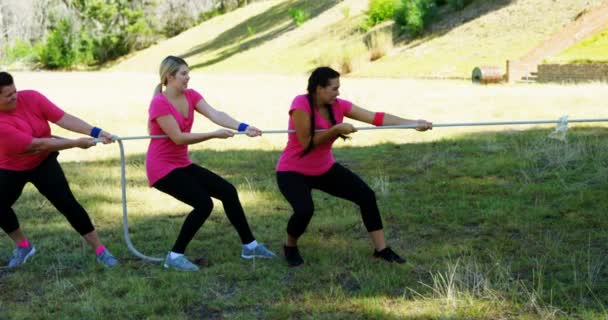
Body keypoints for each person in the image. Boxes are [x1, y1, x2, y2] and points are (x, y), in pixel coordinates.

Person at [276, 67, 433, 267]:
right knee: (304, 210)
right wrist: (335, 130)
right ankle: (290, 246)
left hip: (324, 169)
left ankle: (381, 249)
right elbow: (306, 142)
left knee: (366, 196)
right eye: (334, 88)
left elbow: (376, 118)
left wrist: (412, 123)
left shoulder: (339, 105)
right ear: (319, 89)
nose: (338, 93)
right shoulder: (300, 104)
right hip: (293, 171)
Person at [147, 56, 276, 271]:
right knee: (204, 204)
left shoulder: (191, 96)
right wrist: (212, 135)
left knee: (227, 191)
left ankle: (250, 246)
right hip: (161, 169)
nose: (188, 78)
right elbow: (178, 137)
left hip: (181, 163)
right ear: (169, 77)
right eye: (183, 74)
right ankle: (175, 256)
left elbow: (216, 114)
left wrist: (242, 127)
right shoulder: (159, 103)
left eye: (188, 73)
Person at [0, 71, 118, 269]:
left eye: (15, 91)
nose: (15, 97)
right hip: (12, 167)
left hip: (44, 163)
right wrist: (75, 144)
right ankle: (23, 246)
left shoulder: (32, 98)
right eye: (8, 95)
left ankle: (100, 250)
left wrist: (96, 132)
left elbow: (62, 118)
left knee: (67, 204)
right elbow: (38, 144)